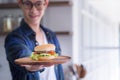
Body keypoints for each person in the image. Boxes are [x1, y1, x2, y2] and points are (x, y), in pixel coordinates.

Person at [4, 0, 64, 80]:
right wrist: (31, 65)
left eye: (38, 4)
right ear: (20, 3)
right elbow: (20, 54)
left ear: (45, 3)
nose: (33, 10)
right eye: (28, 4)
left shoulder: (51, 35)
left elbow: (59, 72)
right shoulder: (14, 37)